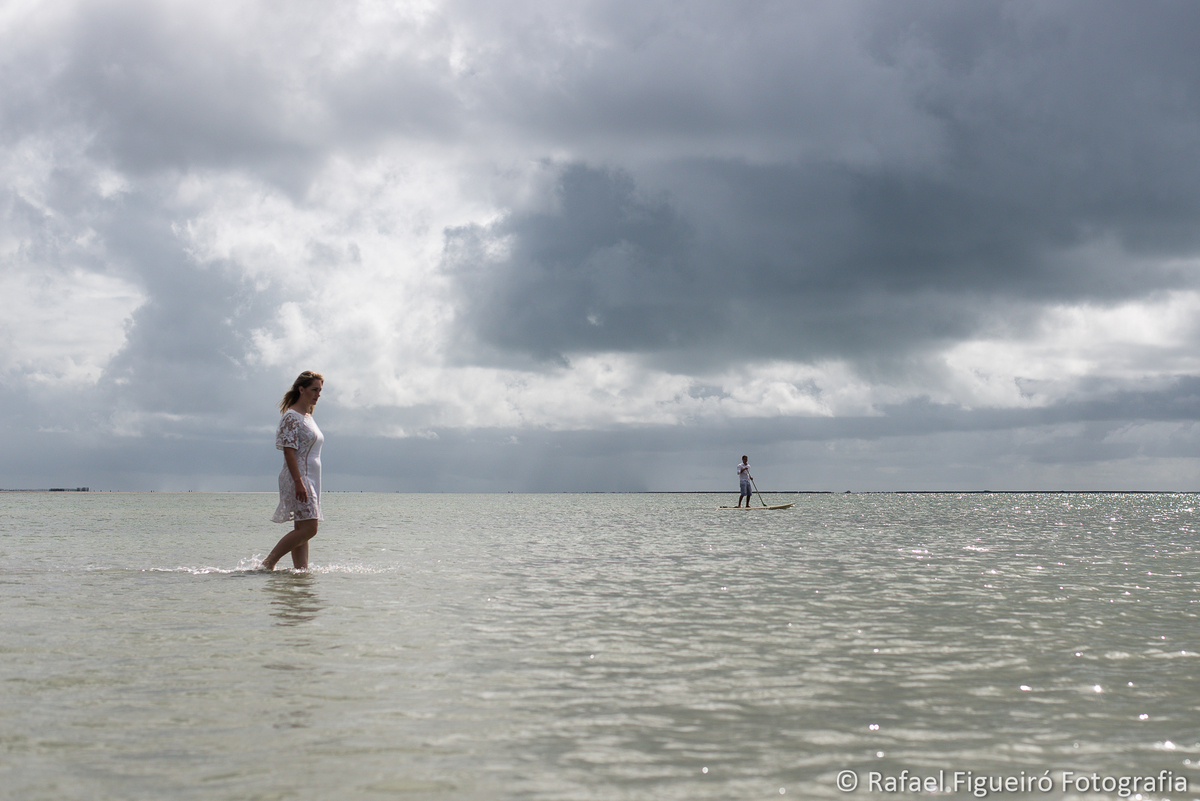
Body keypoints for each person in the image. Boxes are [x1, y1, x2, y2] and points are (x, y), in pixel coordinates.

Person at [261, 371, 324, 570]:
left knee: (302, 527)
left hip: (311, 477)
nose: (318, 394)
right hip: (299, 476)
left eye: (320, 390)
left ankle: (301, 572)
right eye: (314, 389)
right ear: (301, 389)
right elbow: (288, 452)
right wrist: (298, 481)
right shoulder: (291, 416)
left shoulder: (308, 416)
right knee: (310, 529)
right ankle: (268, 563)